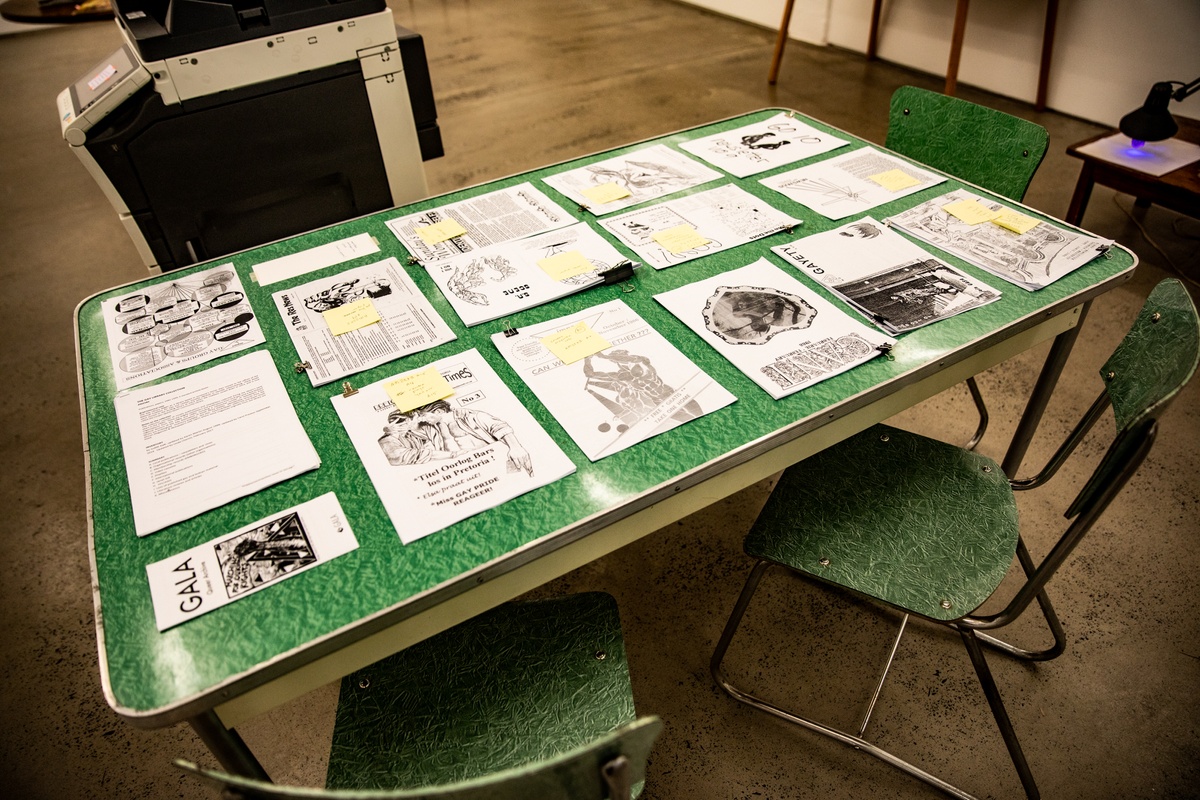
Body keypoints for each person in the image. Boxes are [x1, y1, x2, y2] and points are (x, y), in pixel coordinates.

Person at [416, 400, 534, 476]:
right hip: (468, 469)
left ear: (439, 411)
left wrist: (515, 447)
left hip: (498, 462)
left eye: (423, 415)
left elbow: (499, 427)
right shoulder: (434, 428)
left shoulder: (471, 416)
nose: (422, 419)